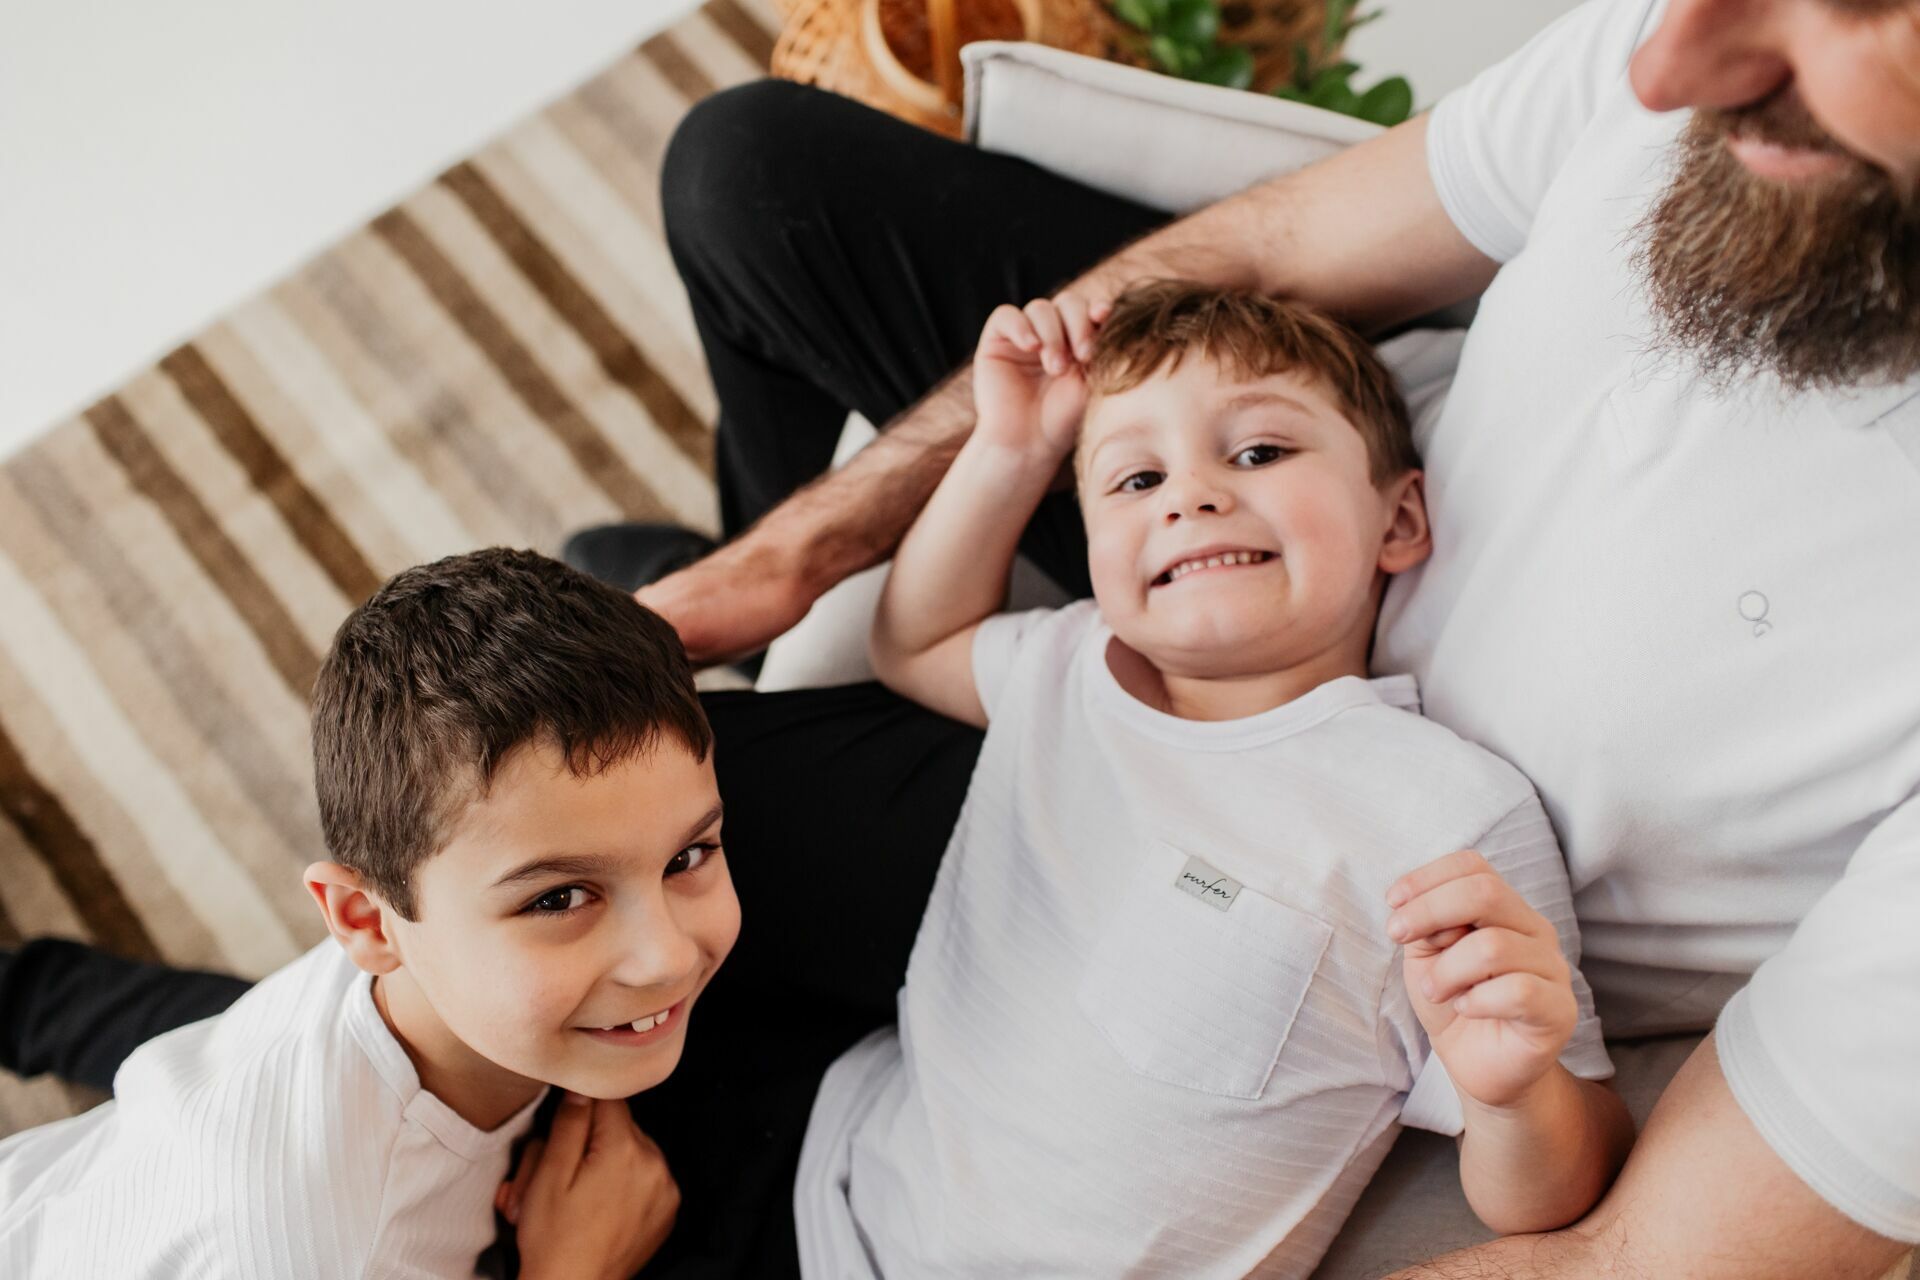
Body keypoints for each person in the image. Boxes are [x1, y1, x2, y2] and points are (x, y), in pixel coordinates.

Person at [574, 0, 1920, 1273]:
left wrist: (1514, 1084)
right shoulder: (1101, 667)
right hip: (1241, 604)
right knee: (748, 172)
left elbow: (1617, 1237)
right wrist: (842, 533)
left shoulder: (1457, 835)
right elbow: (1278, 255)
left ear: (1407, 520)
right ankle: (730, 586)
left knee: (615, 808)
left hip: (1298, 846)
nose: (1662, 64)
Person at [787, 280, 1632, 1276]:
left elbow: (1561, 1185)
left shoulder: (1448, 813)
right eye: (1134, 479)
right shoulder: (1074, 665)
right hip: (826, 1179)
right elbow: (910, 639)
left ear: (1399, 517)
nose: (1190, 494)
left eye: (1260, 451)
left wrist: (1515, 1091)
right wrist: (1009, 452)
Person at [0, 550, 730, 1279]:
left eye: (688, 856)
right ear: (367, 922)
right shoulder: (335, 1255)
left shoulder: (437, 964)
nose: (665, 956)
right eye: (558, 898)